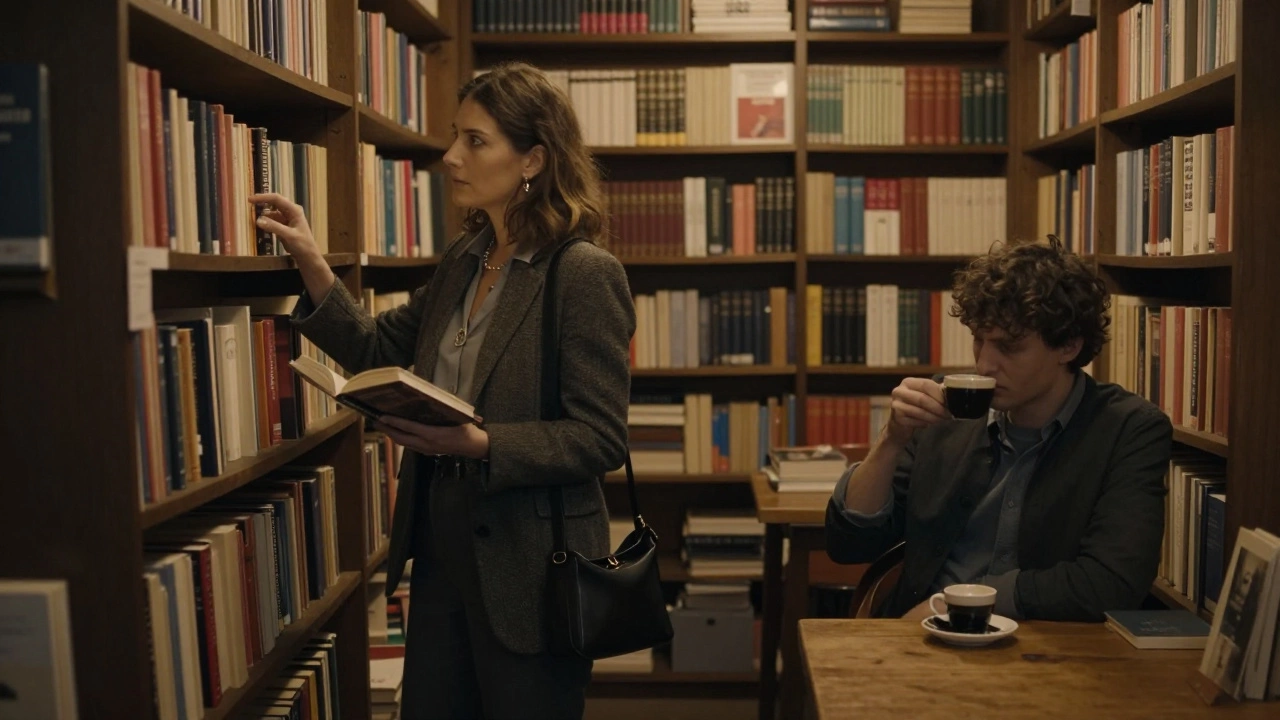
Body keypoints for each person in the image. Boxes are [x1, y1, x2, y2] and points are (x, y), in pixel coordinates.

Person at [249, 62, 634, 719]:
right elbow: (379, 350)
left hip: (532, 567)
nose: (451, 157)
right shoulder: (465, 260)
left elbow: (598, 437)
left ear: (534, 159)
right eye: (456, 137)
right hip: (440, 545)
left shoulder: (582, 274)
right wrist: (313, 262)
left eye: (475, 142)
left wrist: (482, 442)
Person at [825, 235, 1173, 623]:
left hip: (1053, 653)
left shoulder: (1128, 429)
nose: (985, 365)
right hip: (923, 643)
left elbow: (1112, 582)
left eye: (1008, 347)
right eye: (979, 340)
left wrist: (956, 602)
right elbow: (849, 543)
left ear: (1069, 346)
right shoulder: (946, 411)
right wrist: (891, 440)